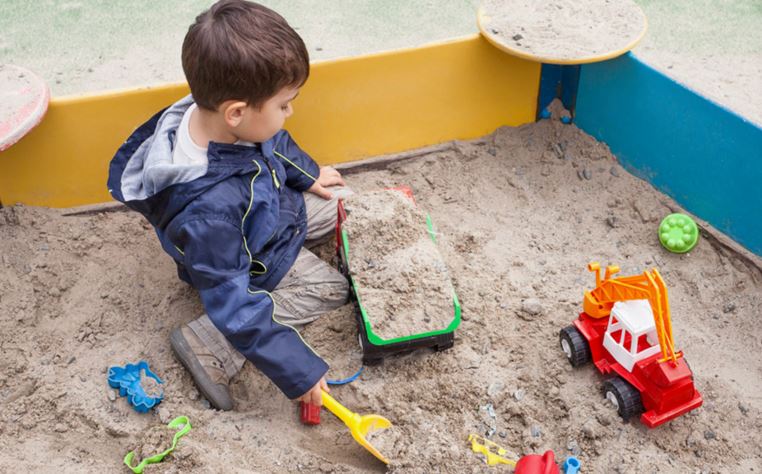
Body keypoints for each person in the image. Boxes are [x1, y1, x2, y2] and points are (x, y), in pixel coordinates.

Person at [107, 0, 351, 411]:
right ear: (237, 112)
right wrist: (298, 368)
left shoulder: (221, 115)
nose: (290, 113)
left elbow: (274, 144)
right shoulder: (209, 211)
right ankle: (206, 342)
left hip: (269, 209)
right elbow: (231, 297)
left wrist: (307, 175)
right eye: (285, 104)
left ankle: (308, 221)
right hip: (246, 256)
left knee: (343, 202)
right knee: (331, 287)